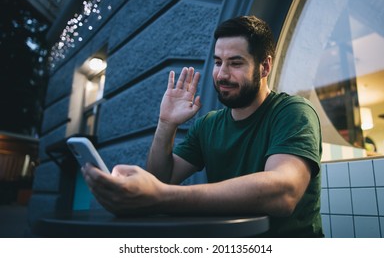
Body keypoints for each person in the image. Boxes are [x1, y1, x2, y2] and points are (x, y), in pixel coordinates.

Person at [82, 15, 323, 237]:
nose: (221, 74)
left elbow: (284, 193)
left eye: (235, 63)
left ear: (265, 66)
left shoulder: (293, 112)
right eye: (218, 62)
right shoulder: (208, 125)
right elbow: (161, 178)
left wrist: (162, 197)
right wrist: (166, 124)